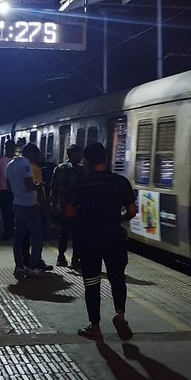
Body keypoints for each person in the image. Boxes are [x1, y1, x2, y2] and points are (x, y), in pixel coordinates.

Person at [66, 141, 137, 342]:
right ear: (105, 160)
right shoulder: (120, 182)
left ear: (87, 162)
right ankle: (120, 314)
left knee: (92, 283)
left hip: (89, 240)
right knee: (117, 279)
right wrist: (119, 221)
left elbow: (69, 212)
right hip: (114, 238)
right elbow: (132, 211)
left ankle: (95, 326)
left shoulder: (80, 184)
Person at [7, 142, 52, 279]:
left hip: (17, 203)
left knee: (18, 237)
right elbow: (28, 185)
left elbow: (9, 186)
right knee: (38, 236)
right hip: (29, 205)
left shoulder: (10, 165)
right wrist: (38, 186)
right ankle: (32, 266)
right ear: (31, 153)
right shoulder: (26, 164)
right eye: (36, 154)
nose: (37, 157)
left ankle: (19, 266)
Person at [51, 143, 84, 267]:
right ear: (73, 154)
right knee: (77, 234)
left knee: (64, 233)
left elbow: (53, 188)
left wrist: (54, 203)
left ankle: (61, 257)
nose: (81, 156)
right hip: (77, 207)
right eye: (79, 154)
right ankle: (75, 259)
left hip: (64, 206)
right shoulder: (80, 170)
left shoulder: (58, 168)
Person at [0, 140, 16, 239]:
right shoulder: (17, 161)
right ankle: (11, 231)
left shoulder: (1, 161)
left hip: (4, 190)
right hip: (11, 191)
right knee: (11, 213)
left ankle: (9, 232)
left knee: (7, 213)